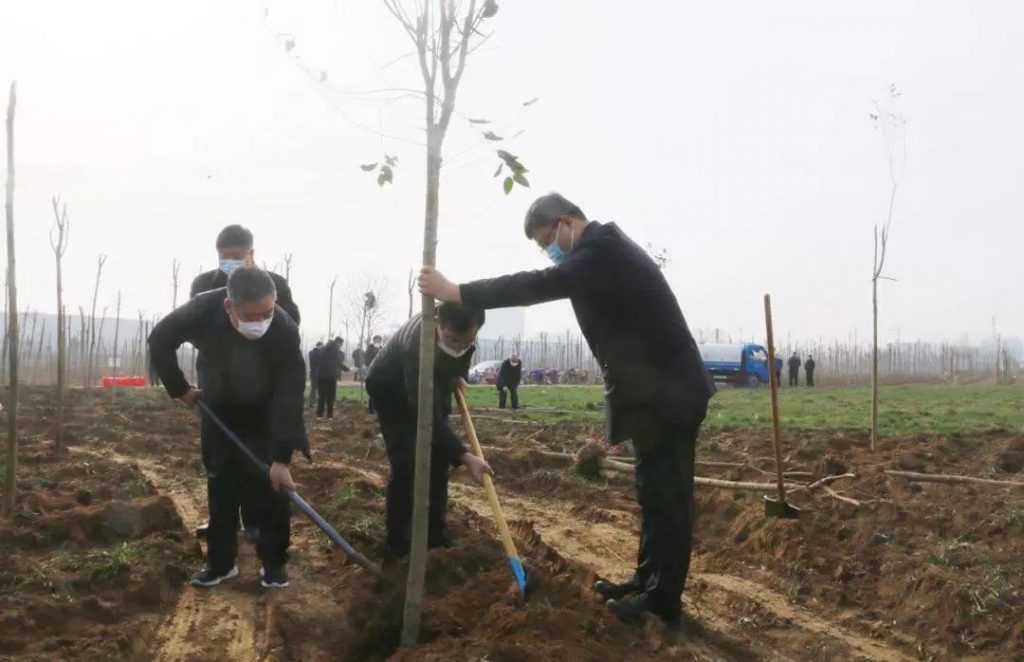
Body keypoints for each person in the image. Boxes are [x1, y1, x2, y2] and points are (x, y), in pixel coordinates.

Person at [420, 192, 715, 632]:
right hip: (656, 395)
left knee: (669, 498)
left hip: (671, 395)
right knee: (652, 492)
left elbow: (536, 285)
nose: (549, 251)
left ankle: (663, 601)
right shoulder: (599, 253)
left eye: (546, 240)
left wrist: (457, 291)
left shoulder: (602, 250)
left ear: (565, 223)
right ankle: (647, 579)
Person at [149, 267, 308, 589]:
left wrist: (281, 459)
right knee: (221, 482)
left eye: (266, 313)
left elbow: (289, 396)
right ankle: (221, 564)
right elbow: (160, 339)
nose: (260, 323)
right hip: (218, 406)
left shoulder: (284, 331)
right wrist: (179, 389)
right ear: (228, 307)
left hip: (265, 410)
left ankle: (274, 562)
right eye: (250, 316)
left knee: (271, 489)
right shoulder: (202, 309)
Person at [364, 303, 494, 557]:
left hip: (435, 379)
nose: (458, 348)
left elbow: (461, 354)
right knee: (406, 462)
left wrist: (458, 375)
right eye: (452, 340)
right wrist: (466, 457)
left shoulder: (464, 335)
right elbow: (427, 418)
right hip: (390, 389)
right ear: (437, 324)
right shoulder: (417, 346)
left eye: (466, 342)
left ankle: (434, 533)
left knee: (437, 461)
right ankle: (398, 542)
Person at [190, 224, 300, 325]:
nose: (230, 263)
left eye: (237, 258)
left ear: (251, 254)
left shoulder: (277, 284)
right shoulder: (203, 284)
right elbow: (193, 323)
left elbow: (293, 322)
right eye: (224, 259)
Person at [316, 337, 345, 419]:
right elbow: (338, 363)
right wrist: (348, 369)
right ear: (338, 343)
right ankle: (329, 415)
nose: (341, 346)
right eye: (341, 344)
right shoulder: (335, 350)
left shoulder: (324, 349)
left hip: (321, 376)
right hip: (331, 377)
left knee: (321, 396)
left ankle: (319, 415)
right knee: (330, 396)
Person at [307, 341, 324, 409]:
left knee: (316, 389)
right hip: (316, 374)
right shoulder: (313, 353)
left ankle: (313, 403)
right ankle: (311, 403)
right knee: (314, 389)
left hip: (317, 373)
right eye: (322, 346)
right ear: (318, 346)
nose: (323, 347)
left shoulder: (313, 353)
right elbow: (318, 360)